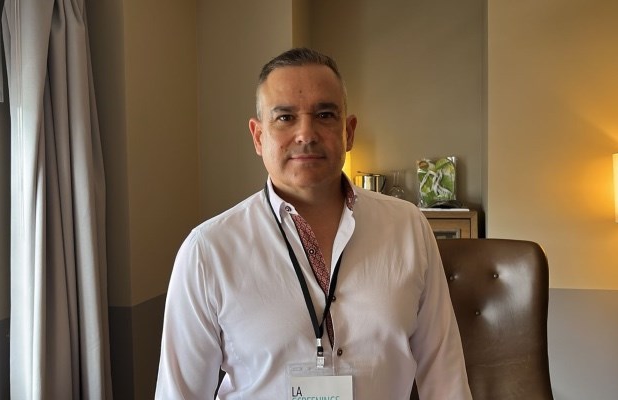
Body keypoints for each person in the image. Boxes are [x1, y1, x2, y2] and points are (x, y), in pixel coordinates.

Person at [155, 47, 472, 399]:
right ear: (258, 136)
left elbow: (445, 377)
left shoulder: (408, 227)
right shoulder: (208, 251)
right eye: (285, 117)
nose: (306, 134)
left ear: (348, 131)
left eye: (324, 115)